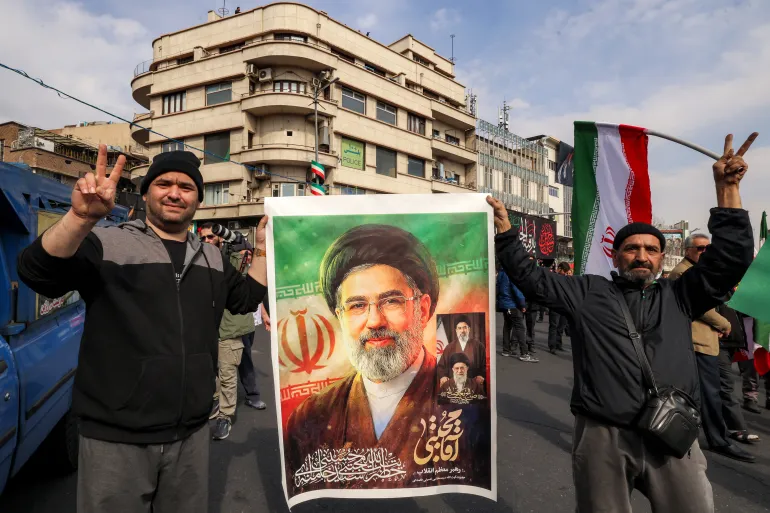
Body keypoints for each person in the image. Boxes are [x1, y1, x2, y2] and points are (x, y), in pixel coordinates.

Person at [487, 131, 757, 513]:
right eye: (632, 248)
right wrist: (505, 232)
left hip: (672, 432)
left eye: (651, 249)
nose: (641, 255)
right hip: (603, 435)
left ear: (661, 258)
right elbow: (531, 278)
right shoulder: (588, 292)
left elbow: (730, 259)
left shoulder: (680, 295)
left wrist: (727, 190)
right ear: (616, 256)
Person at [17, 147, 268, 513]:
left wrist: (261, 250)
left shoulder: (213, 257)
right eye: (164, 184)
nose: (175, 193)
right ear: (146, 192)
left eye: (186, 187)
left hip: (190, 435)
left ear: (198, 199)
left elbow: (247, 299)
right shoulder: (108, 243)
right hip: (116, 438)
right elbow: (36, 272)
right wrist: (79, 218)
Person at [285, 224, 489, 493]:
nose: (374, 321)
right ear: (340, 317)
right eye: (357, 305)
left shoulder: (466, 403)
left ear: (423, 308)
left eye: (391, 301)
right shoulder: (310, 417)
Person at [669, 234, 755, 461]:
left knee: (710, 392)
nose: (705, 251)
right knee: (710, 394)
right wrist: (724, 324)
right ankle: (718, 439)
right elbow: (699, 305)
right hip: (698, 342)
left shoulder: (698, 271)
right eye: (700, 248)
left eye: (709, 247)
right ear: (687, 250)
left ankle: (716, 435)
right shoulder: (683, 272)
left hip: (706, 341)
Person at [199, 223, 263, 440]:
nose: (207, 241)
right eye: (203, 238)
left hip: (230, 328)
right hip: (208, 330)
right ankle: (217, 402)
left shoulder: (232, 260)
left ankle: (225, 416)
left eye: (211, 237)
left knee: (228, 374)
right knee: (212, 373)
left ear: (219, 239)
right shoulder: (200, 260)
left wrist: (236, 244)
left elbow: (246, 259)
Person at [496, 267, 537, 362]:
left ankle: (506, 350)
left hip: (505, 303)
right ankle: (524, 353)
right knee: (520, 328)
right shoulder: (512, 272)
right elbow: (516, 290)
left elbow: (498, 288)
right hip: (512, 304)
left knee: (507, 326)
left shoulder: (501, 272)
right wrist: (522, 304)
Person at [438, 316, 488, 382]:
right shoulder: (449, 347)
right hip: (454, 384)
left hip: (473, 383)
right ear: (456, 330)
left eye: (465, 327)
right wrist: (443, 376)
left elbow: (485, 365)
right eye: (459, 328)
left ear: (469, 329)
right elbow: (441, 366)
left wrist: (481, 375)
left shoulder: (479, 346)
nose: (462, 331)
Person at [547, 262, 571, 354]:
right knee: (554, 325)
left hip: (564, 305)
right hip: (555, 305)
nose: (565, 273)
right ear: (559, 269)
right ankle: (552, 346)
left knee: (561, 326)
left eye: (566, 271)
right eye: (564, 271)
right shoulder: (554, 278)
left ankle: (558, 344)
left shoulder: (567, 279)